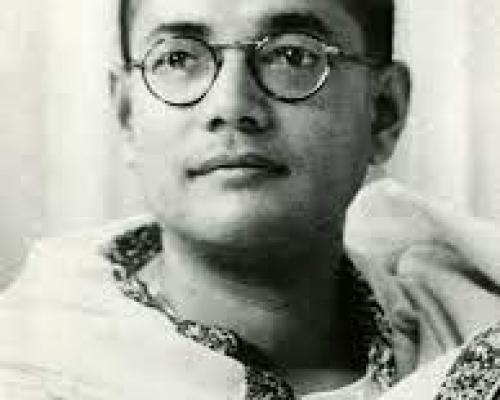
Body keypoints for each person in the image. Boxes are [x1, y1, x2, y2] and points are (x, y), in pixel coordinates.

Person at [0, 0, 499, 399]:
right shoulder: (33, 370)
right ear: (128, 114)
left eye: (293, 56)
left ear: (384, 112)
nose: (232, 105)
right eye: (178, 58)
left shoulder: (466, 330)